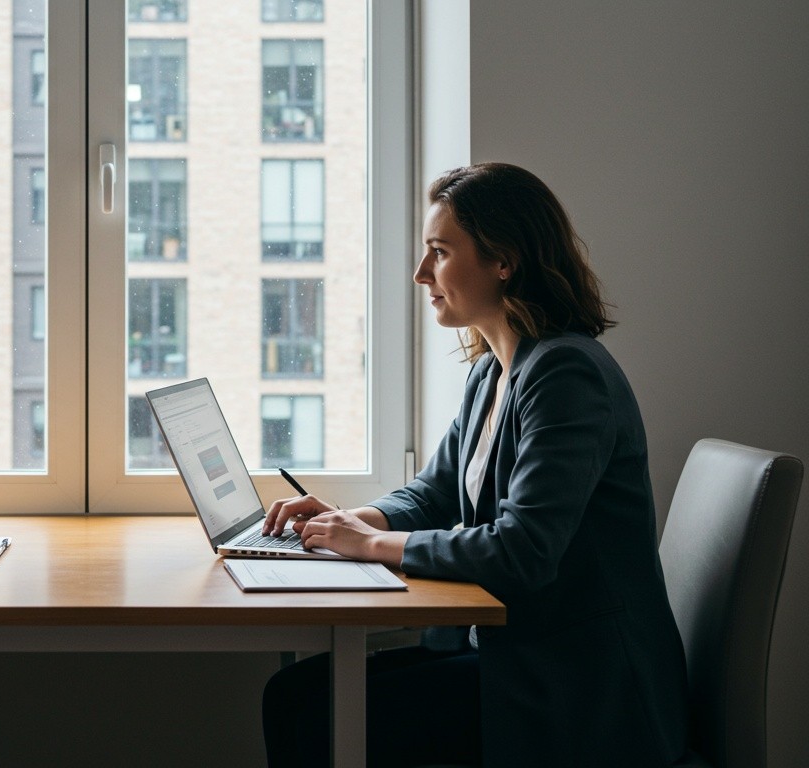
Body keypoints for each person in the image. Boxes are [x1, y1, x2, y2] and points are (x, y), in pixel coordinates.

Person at [260, 163, 688, 767]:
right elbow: (434, 493)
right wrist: (347, 522)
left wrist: (370, 545)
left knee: (311, 717)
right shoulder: (493, 370)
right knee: (293, 695)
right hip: (515, 655)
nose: (421, 273)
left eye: (439, 252)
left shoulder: (567, 376)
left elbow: (522, 550)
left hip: (579, 687)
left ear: (503, 261)